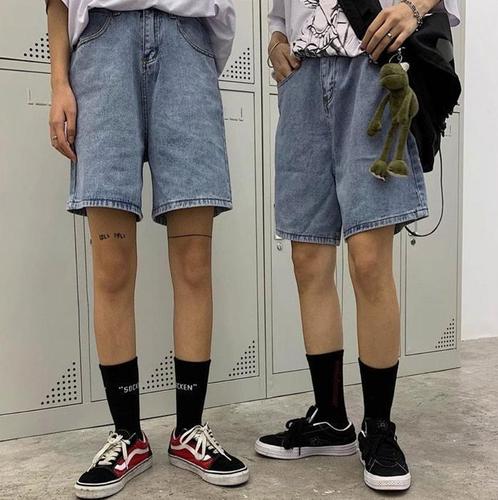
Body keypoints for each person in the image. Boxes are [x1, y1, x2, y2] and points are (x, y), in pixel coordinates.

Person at [46, 0, 249, 497]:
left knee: (194, 265)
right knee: (112, 268)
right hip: (102, 52)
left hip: (188, 45)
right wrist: (58, 83)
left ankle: (188, 430)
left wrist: (201, 56)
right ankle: (128, 435)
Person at [256, 0, 460, 492]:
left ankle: (379, 427)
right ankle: (331, 419)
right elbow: (281, 14)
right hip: (303, 81)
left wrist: (413, 7)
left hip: (372, 68)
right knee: (308, 259)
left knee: (369, 261)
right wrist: (277, 40)